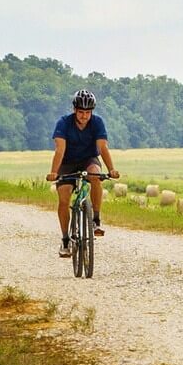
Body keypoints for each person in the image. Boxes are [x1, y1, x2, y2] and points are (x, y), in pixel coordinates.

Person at [46, 88, 118, 258]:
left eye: (87, 112)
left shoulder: (97, 122)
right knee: (64, 198)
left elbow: (102, 147)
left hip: (88, 159)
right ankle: (65, 240)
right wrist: (54, 172)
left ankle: (96, 220)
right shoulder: (63, 123)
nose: (84, 116)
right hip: (67, 162)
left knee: (95, 175)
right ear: (74, 110)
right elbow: (60, 149)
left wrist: (111, 169)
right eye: (80, 112)